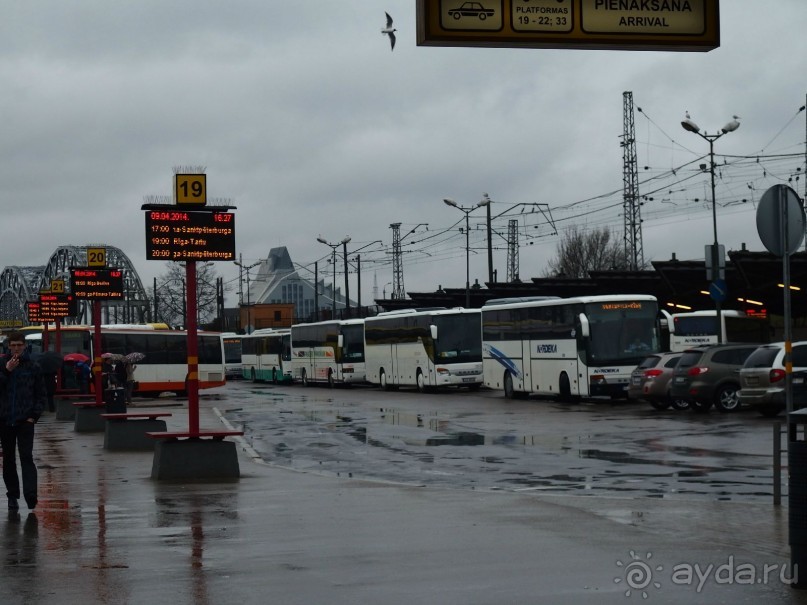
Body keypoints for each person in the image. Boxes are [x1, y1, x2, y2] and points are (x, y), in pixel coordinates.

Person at [0, 332, 46, 512]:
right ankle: (12, 496)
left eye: (20, 345)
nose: (17, 348)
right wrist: (6, 371)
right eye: (14, 345)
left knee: (27, 457)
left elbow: (40, 394)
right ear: (9, 346)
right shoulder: (2, 364)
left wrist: (33, 416)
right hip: (4, 420)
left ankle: (30, 494)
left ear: (24, 346)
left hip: (25, 420)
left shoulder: (33, 366)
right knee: (9, 459)